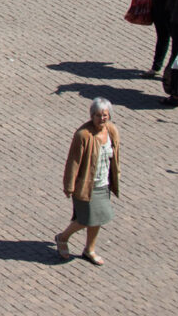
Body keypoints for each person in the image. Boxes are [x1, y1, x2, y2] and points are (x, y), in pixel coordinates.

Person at [54, 98, 119, 265]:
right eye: (98, 115)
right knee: (85, 219)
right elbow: (73, 161)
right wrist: (69, 186)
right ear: (92, 116)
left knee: (99, 218)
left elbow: (115, 154)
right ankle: (62, 238)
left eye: (105, 115)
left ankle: (89, 249)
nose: (102, 118)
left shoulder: (111, 130)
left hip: (103, 183)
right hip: (85, 186)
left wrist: (115, 174)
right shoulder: (83, 135)